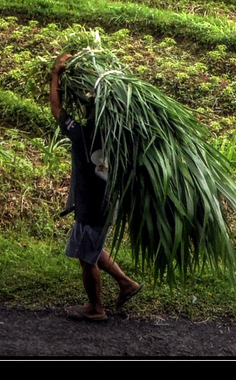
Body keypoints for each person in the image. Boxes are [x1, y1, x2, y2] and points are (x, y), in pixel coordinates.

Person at [50, 53, 141, 321]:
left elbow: (57, 110)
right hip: (108, 203)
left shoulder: (82, 135)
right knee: (94, 247)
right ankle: (126, 284)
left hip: (91, 207)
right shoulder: (122, 136)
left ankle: (95, 308)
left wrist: (56, 74)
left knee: (85, 257)